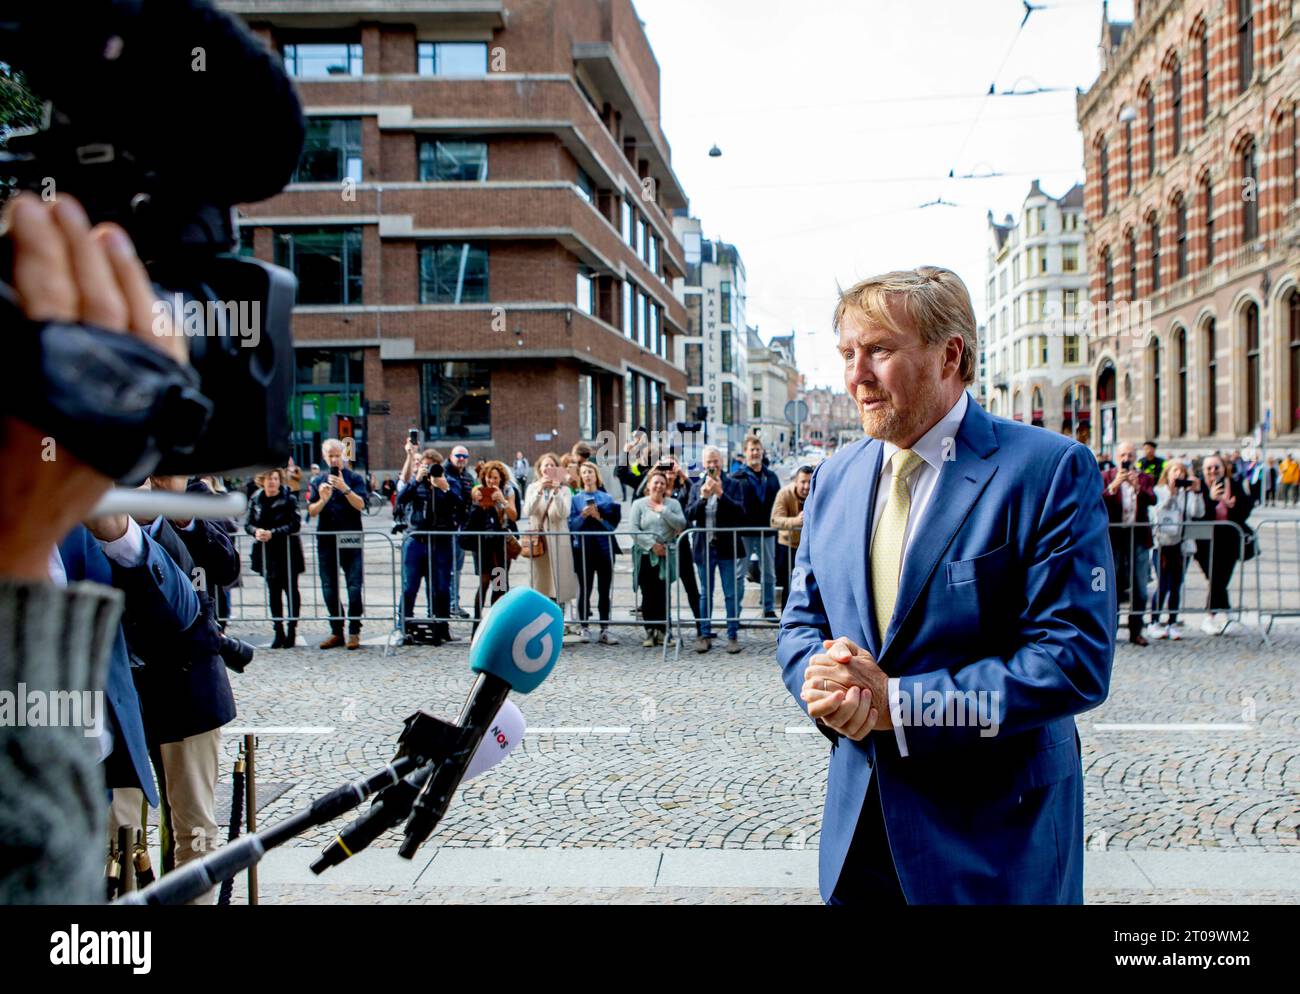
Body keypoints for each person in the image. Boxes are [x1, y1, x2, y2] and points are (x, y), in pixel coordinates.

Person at [779, 266, 1113, 905]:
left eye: (878, 350)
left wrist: (899, 704)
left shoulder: (1048, 471)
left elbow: (1073, 662)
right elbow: (802, 623)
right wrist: (820, 682)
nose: (857, 376)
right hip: (860, 838)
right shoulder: (835, 478)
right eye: (848, 353)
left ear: (949, 356)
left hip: (994, 845)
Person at [111, 475, 242, 904]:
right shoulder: (100, 484)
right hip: (120, 687)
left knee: (195, 826)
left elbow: (227, 567)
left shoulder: (196, 497)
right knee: (117, 829)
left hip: (187, 685)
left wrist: (174, 518)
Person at [308, 439, 370, 650]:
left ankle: (354, 630)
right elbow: (311, 511)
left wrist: (345, 489)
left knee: (354, 587)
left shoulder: (355, 478)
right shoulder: (318, 481)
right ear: (325, 458)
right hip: (326, 539)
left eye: (337, 455)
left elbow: (362, 504)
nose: (334, 459)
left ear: (344, 455)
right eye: (330, 456)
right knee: (329, 588)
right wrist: (323, 499)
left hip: (351, 539)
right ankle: (336, 631)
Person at [685, 446, 746, 653]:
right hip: (704, 548)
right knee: (705, 594)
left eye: (716, 461)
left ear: (722, 462)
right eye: (709, 462)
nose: (712, 466)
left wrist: (721, 495)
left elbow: (740, 512)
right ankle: (704, 634)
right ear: (704, 464)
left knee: (730, 593)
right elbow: (689, 515)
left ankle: (732, 634)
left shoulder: (733, 484)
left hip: (727, 547)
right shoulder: (696, 487)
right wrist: (703, 498)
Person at [397, 449, 456, 645]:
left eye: (432, 466)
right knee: (409, 586)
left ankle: (441, 626)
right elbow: (400, 501)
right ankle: (403, 626)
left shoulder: (446, 482)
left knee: (440, 587)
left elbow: (461, 506)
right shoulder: (415, 483)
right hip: (416, 539)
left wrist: (445, 488)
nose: (429, 469)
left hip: (441, 541)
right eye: (426, 465)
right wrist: (416, 480)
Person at [1101, 441, 1157, 646]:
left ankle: (1136, 630)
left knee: (1140, 586)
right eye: (1123, 455)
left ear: (1136, 457)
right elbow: (1096, 500)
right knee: (1113, 586)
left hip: (1138, 537)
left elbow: (1153, 500)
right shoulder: (1106, 476)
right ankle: (1111, 631)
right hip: (1114, 538)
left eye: (1130, 455)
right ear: (1117, 457)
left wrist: (1138, 488)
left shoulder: (1145, 478)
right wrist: (1113, 486)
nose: (1126, 459)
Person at [1194, 453, 1255, 636]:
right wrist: (1212, 500)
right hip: (1204, 541)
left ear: (1223, 468)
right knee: (1215, 577)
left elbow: (1245, 509)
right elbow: (1197, 514)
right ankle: (1223, 615)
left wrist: (1230, 505)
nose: (1213, 471)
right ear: (1203, 471)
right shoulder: (1200, 487)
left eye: (1216, 467)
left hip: (1229, 540)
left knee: (1220, 578)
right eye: (1209, 468)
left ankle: (1213, 616)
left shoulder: (1233, 485)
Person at [245, 467, 304, 648]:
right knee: (274, 592)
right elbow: (248, 524)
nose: (272, 482)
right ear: (262, 480)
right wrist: (257, 532)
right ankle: (278, 630)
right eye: (269, 478)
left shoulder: (289, 498)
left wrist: (274, 533)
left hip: (287, 551)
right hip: (267, 553)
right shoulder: (256, 499)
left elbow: (295, 524)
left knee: (291, 590)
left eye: (276, 478)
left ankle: (292, 629)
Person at [1148, 459, 1204, 641]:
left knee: (1176, 585)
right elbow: (1157, 515)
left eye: (1182, 471)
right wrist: (1171, 495)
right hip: (1162, 544)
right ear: (1168, 473)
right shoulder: (1158, 491)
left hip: (1182, 545)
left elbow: (1197, 513)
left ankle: (1172, 622)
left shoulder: (1187, 493)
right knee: (1163, 584)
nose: (1179, 474)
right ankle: (1154, 621)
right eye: (1175, 470)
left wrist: (1196, 493)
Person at [630, 469, 686, 647]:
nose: (659, 485)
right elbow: (633, 528)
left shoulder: (673, 504)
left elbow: (681, 524)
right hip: (645, 555)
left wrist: (664, 511)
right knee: (647, 593)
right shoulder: (639, 504)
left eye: (662, 482)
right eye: (655, 482)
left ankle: (663, 630)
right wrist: (651, 545)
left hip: (665, 555)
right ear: (648, 485)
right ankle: (650, 630)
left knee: (663, 593)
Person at [568, 461, 621, 644]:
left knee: (604, 589)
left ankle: (605, 627)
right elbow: (572, 527)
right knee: (585, 588)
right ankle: (584, 626)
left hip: (604, 548)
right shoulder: (575, 499)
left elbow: (611, 526)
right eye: (584, 472)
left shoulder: (606, 498)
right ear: (580, 477)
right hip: (584, 549)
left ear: (596, 475)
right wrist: (583, 515)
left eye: (590, 471)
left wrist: (599, 516)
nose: (587, 475)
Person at [732, 436, 781, 620]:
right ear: (745, 453)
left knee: (769, 572)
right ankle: (735, 611)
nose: (755, 453)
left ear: (762, 452)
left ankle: (768, 608)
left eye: (758, 449)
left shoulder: (771, 477)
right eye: (751, 450)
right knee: (739, 575)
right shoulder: (737, 477)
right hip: (743, 533)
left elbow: (778, 502)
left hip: (767, 532)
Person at [522, 452, 577, 611]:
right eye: (546, 465)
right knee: (540, 582)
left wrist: (556, 491)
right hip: (539, 542)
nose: (549, 468)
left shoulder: (564, 490)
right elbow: (528, 510)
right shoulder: (532, 488)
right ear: (539, 469)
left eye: (552, 465)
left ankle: (560, 617)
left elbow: (564, 512)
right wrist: (539, 491)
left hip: (559, 541)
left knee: (558, 584)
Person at [464, 460, 518, 625]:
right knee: (484, 581)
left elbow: (514, 516)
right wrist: (478, 500)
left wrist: (502, 500)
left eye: (495, 478)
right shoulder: (478, 491)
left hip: (501, 546)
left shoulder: (508, 491)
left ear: (501, 479)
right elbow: (471, 516)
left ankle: (495, 622)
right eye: (489, 478)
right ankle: (476, 621)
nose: (492, 481)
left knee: (500, 584)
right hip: (483, 545)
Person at [772, 465, 813, 613]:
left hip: (810, 547)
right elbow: (775, 520)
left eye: (809, 482)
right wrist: (795, 521)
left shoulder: (817, 493)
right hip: (788, 546)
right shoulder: (784, 494)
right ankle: (786, 620)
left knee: (809, 586)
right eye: (803, 482)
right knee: (789, 587)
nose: (806, 486)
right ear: (796, 481)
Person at [446, 445, 476, 618]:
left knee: (457, 568)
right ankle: (450, 604)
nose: (461, 458)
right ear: (451, 456)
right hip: (450, 527)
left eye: (464, 456)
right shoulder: (445, 473)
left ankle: (453, 603)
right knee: (449, 569)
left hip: (463, 529)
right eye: (458, 455)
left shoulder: (467, 477)